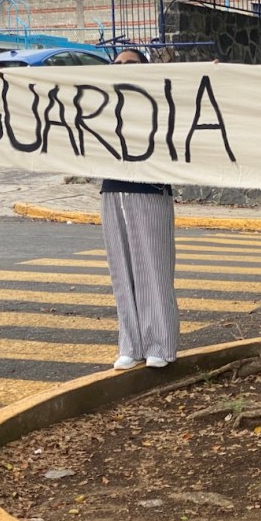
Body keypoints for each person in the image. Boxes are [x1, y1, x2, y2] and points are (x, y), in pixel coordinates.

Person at [101, 48, 179, 370]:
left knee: (155, 269)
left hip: (150, 190)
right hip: (112, 191)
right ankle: (130, 344)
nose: (122, 68)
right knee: (122, 272)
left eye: (130, 63)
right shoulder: (104, 104)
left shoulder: (160, 102)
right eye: (117, 64)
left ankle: (160, 342)